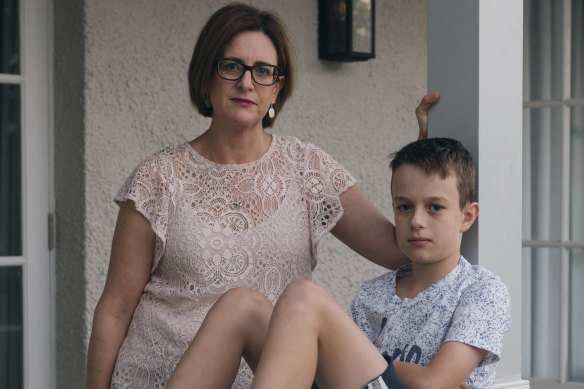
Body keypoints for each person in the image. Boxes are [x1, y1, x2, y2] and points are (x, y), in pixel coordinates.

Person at [85, 3, 435, 388]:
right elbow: (115, 310)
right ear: (207, 76)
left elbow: (401, 248)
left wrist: (425, 158)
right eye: (232, 66)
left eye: (263, 71)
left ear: (277, 88)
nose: (247, 83)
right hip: (162, 378)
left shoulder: (307, 167)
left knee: (266, 302)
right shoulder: (158, 177)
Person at [165, 137, 511, 389]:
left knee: (304, 296)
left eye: (435, 207)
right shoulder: (373, 294)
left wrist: (386, 367)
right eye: (404, 207)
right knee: (240, 304)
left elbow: (433, 383)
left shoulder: (482, 291)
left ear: (467, 217)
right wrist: (402, 371)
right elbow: (342, 375)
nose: (417, 221)